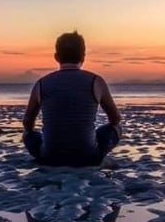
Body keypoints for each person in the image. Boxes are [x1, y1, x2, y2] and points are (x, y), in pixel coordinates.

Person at [22, 31, 123, 167]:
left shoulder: (41, 83)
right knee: (115, 129)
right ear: (83, 56)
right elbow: (115, 119)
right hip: (89, 157)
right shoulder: (96, 81)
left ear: (56, 57)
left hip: (50, 157)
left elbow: (28, 123)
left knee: (28, 134)